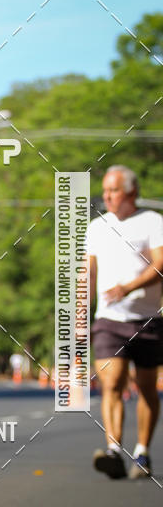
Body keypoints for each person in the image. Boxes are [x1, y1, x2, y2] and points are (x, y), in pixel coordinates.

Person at [88, 165, 163, 479]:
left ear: (131, 192)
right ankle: (114, 450)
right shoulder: (96, 227)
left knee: (146, 387)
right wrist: (77, 310)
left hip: (149, 319)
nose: (107, 196)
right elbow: (87, 272)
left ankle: (142, 452)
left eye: (114, 190)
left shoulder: (152, 222)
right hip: (109, 320)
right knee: (112, 383)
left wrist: (128, 288)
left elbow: (160, 264)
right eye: (105, 190)